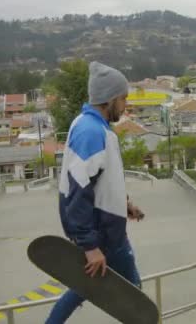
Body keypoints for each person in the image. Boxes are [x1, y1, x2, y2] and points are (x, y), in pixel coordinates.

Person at [46, 61, 145, 323]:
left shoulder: (92, 126)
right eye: (123, 98)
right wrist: (90, 246)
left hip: (104, 231)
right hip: (105, 236)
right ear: (110, 98)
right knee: (136, 299)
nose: (125, 105)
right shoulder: (91, 133)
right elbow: (78, 193)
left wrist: (123, 203)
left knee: (84, 289)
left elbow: (100, 181)